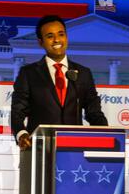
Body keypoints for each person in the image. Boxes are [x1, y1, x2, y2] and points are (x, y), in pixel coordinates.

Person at [10, 15, 108, 150]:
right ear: (41, 42)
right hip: (39, 151)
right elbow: (17, 112)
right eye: (50, 36)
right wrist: (22, 134)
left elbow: (94, 113)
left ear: (66, 37)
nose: (57, 40)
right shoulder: (28, 73)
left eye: (61, 34)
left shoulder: (83, 73)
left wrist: (107, 134)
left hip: (74, 152)